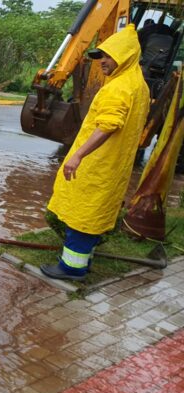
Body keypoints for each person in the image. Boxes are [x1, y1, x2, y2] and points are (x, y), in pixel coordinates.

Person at [41, 24, 150, 281]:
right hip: (114, 165)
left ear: (125, 56)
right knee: (95, 211)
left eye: (108, 56)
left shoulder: (118, 88)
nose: (102, 61)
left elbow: (109, 125)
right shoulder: (139, 85)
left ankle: (72, 268)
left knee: (82, 213)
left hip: (97, 163)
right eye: (100, 56)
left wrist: (78, 155)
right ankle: (83, 260)